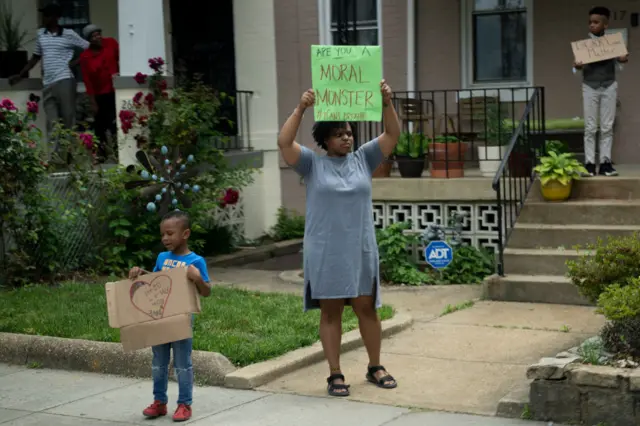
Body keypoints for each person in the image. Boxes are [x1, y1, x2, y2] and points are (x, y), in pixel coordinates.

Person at [277, 80, 401, 397]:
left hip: (360, 249)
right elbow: (284, 141)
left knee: (366, 309)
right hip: (326, 251)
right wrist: (302, 107)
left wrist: (387, 101)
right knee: (331, 313)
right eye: (339, 133)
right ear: (325, 139)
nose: (347, 137)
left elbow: (392, 135)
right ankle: (335, 373)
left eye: (349, 132)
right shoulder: (311, 164)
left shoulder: (364, 158)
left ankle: (375, 367)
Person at [129, 210, 211, 422]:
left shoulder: (196, 261)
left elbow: (207, 291)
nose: (165, 238)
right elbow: (155, 282)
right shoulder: (162, 258)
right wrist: (139, 274)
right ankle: (160, 402)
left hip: (182, 320)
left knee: (183, 364)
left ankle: (185, 404)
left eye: (170, 233)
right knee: (158, 363)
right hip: (160, 317)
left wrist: (197, 278)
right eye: (162, 234)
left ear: (185, 234)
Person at [9, 2, 90, 155]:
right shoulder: (41, 34)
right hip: (47, 83)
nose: (43, 18)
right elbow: (35, 58)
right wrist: (20, 75)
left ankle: (70, 155)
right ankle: (55, 158)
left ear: (55, 17)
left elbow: (88, 48)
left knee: (68, 119)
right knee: (52, 122)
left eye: (46, 15)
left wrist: (74, 63)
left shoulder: (69, 34)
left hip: (65, 79)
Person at [573, 6, 629, 177]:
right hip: (590, 86)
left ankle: (605, 163)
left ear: (605, 25)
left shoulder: (613, 43)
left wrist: (622, 59)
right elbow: (576, 69)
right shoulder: (584, 46)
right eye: (590, 22)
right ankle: (589, 163)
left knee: (606, 127)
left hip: (609, 85)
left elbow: (620, 65)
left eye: (596, 22)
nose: (592, 25)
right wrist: (576, 65)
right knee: (590, 127)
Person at [79, 24, 119, 162]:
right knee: (101, 125)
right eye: (93, 36)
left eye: (98, 34)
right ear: (89, 40)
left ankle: (118, 151)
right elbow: (87, 80)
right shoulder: (85, 57)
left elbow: (122, 58)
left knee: (115, 122)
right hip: (99, 94)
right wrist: (92, 101)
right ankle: (101, 153)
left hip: (115, 90)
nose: (97, 37)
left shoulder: (111, 43)